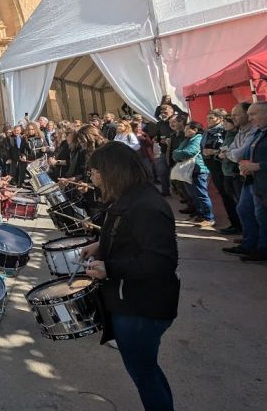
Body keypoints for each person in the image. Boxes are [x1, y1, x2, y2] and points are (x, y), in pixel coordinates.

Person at [81, 142, 179, 411]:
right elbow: (128, 237)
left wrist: (110, 268)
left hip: (143, 307)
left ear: (111, 172)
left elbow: (160, 261)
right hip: (132, 302)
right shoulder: (130, 197)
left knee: (144, 374)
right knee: (147, 371)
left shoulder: (146, 205)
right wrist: (101, 245)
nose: (92, 177)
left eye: (95, 171)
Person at [224, 102, 267, 262]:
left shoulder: (258, 132)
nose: (250, 118)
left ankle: (262, 249)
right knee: (246, 210)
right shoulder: (259, 132)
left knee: (262, 217)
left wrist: (257, 165)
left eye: (253, 114)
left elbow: (236, 154)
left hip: (262, 182)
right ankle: (250, 244)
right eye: (248, 114)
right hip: (254, 181)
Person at [202, 110, 240, 232]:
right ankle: (235, 224)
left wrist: (214, 152)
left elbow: (227, 149)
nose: (208, 120)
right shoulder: (208, 132)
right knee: (225, 196)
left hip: (225, 168)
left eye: (211, 118)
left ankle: (238, 225)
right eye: (207, 118)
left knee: (231, 197)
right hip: (216, 167)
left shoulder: (224, 132)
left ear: (220, 118)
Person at [172, 121, 215, 227]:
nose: (185, 130)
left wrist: (176, 153)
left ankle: (209, 218)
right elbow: (178, 151)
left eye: (188, 129)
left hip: (198, 170)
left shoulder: (198, 138)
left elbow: (188, 152)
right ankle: (200, 215)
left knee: (201, 195)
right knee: (193, 194)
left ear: (195, 130)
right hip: (189, 171)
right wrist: (177, 153)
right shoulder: (188, 139)